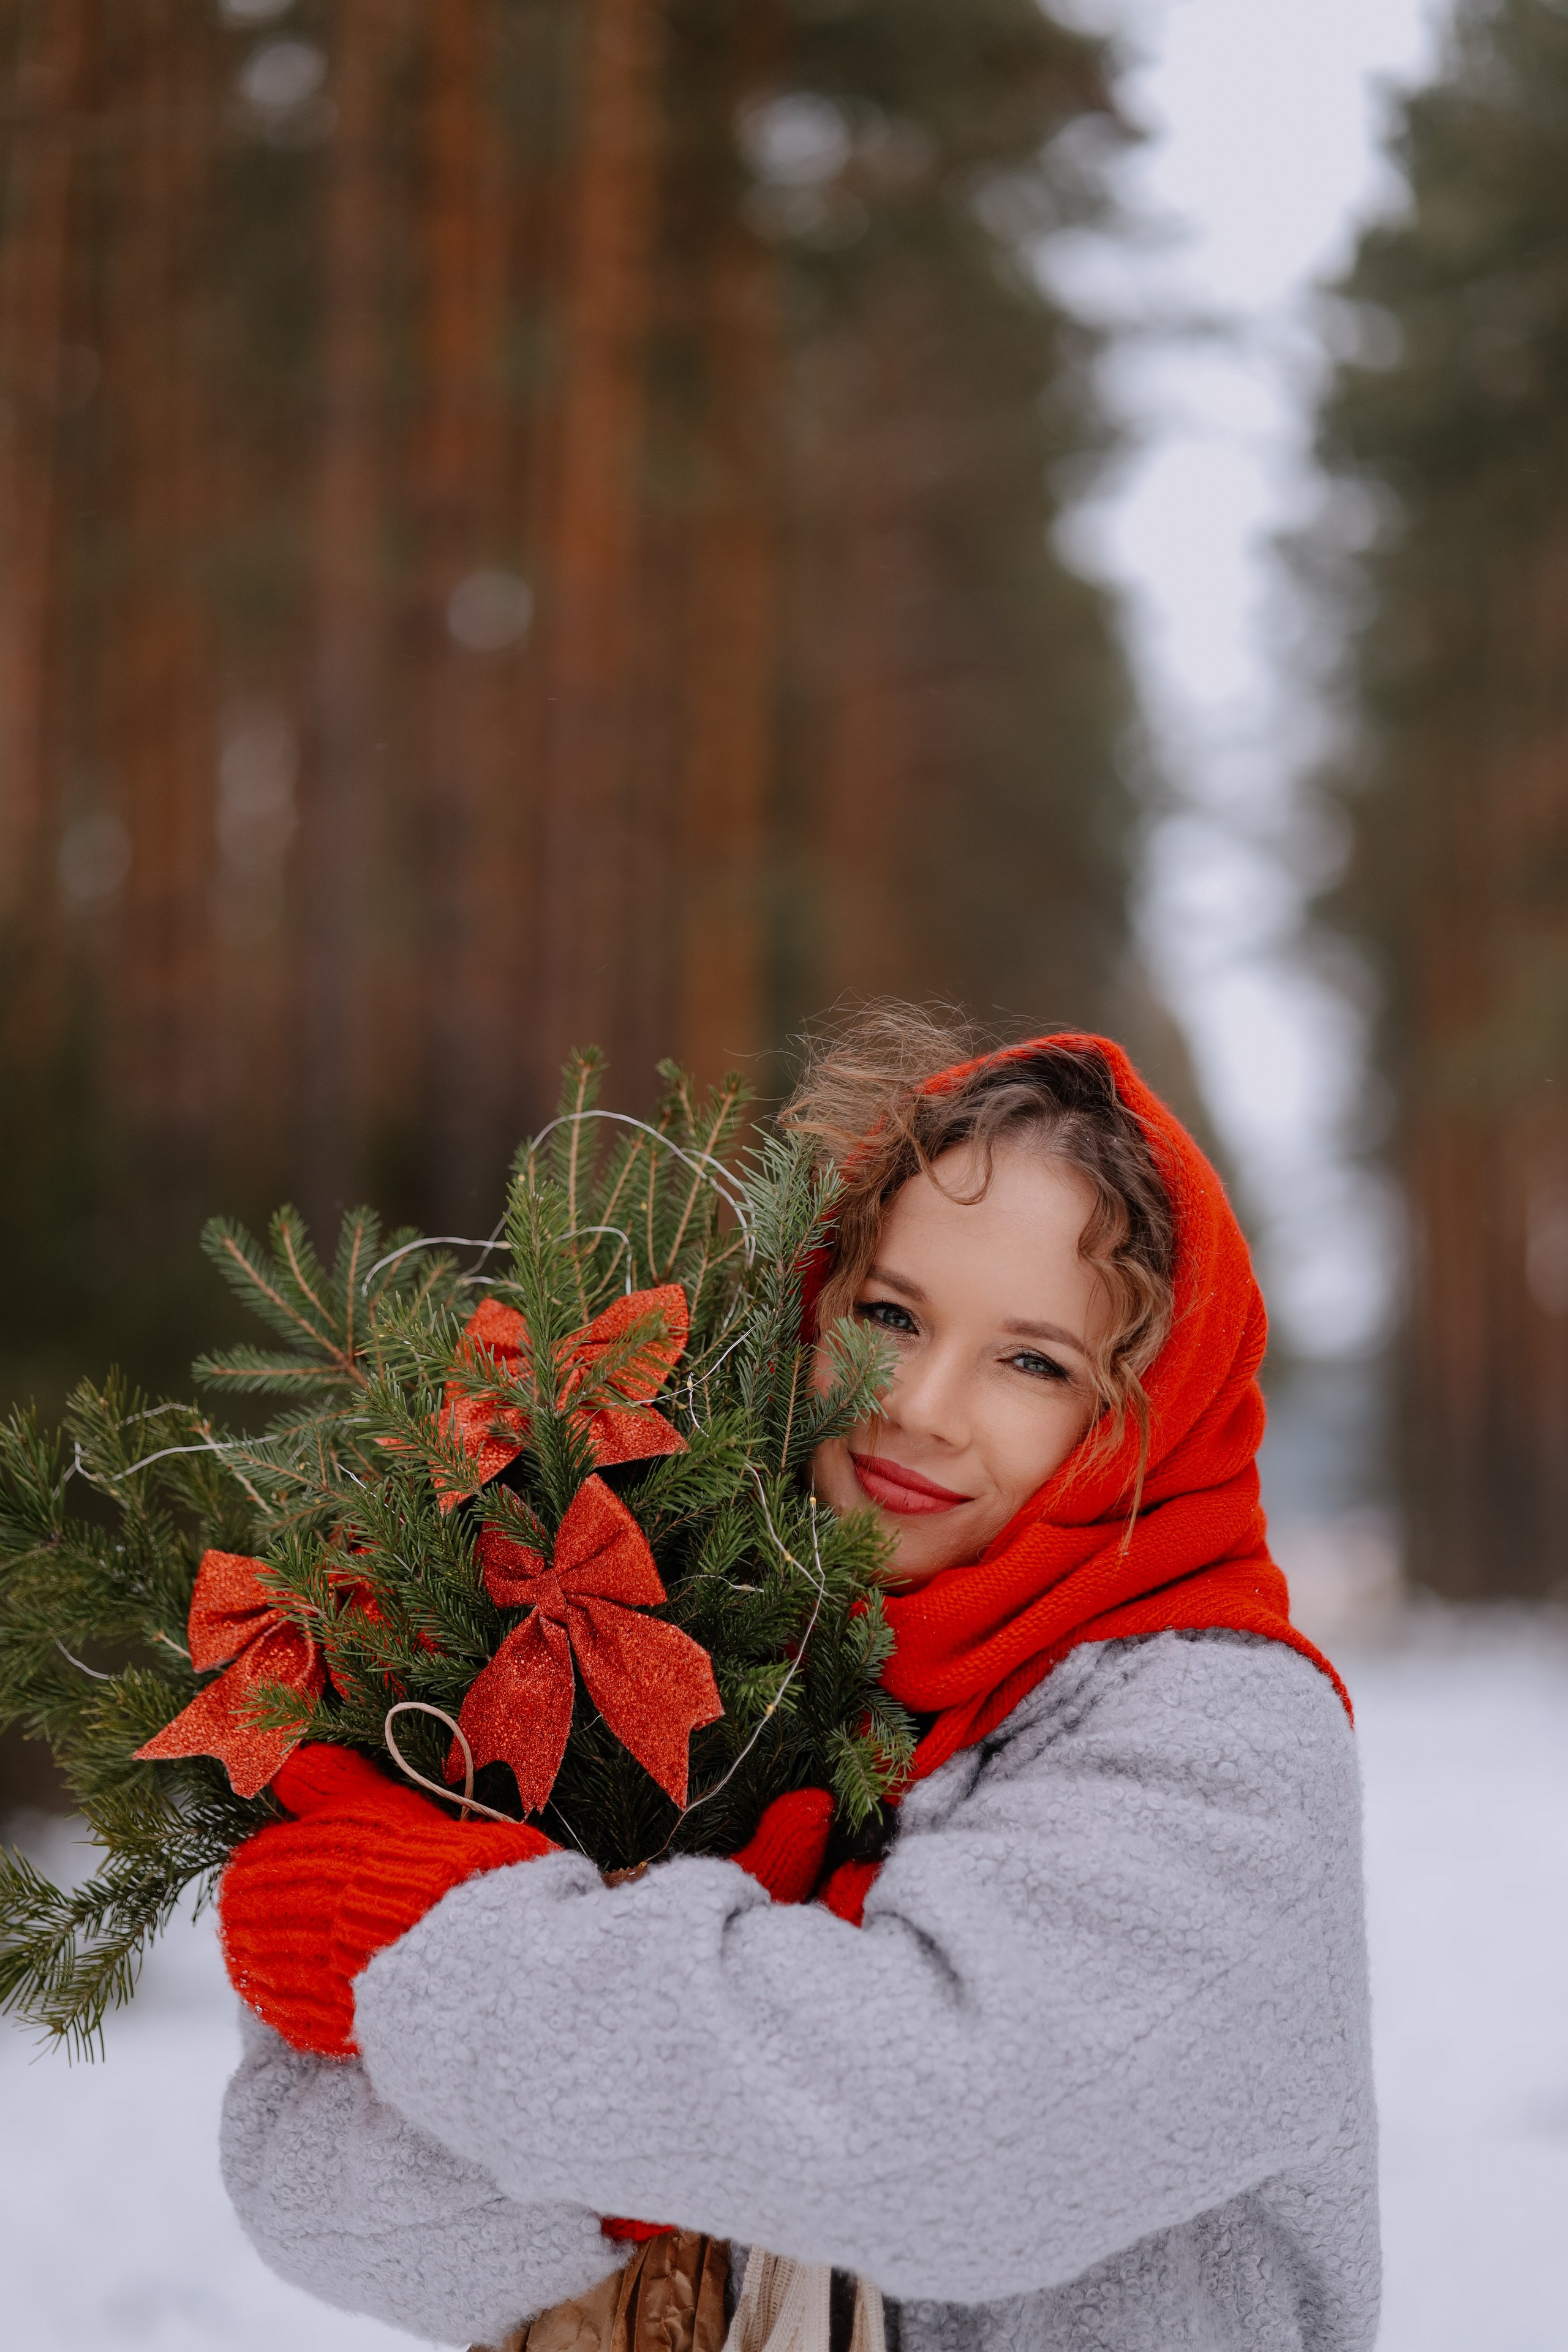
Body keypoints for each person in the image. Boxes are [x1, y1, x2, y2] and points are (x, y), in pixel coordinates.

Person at [219, 1011, 1378, 2352]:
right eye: (891, 1314)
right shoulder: (655, 1635)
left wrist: (456, 1954)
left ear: (1149, 1414)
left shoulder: (1217, 1733)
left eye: (1032, 1361)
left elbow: (958, 2135)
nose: (921, 1404)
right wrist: (659, 2150)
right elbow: (299, 2185)